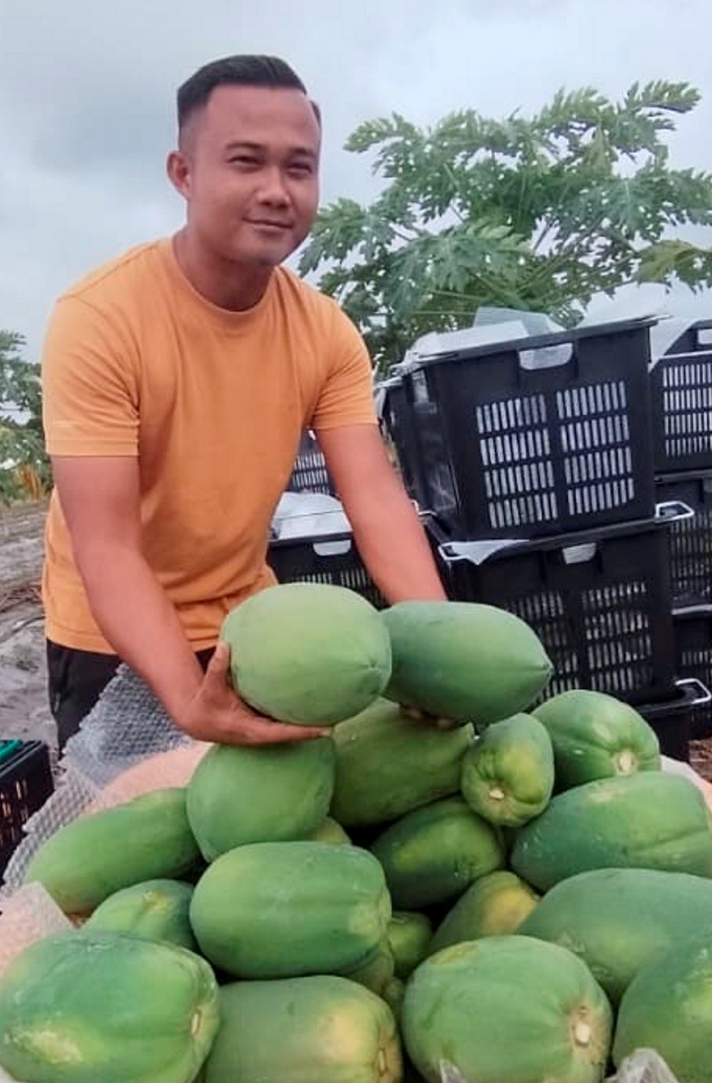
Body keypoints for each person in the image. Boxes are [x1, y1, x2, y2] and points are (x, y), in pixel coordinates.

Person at [37, 53, 446, 754]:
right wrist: (186, 697)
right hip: (111, 638)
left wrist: (442, 651)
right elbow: (107, 546)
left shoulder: (325, 331)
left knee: (282, 811)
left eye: (299, 168)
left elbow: (376, 499)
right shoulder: (100, 318)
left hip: (251, 626)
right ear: (183, 173)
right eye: (247, 162)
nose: (276, 191)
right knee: (142, 817)